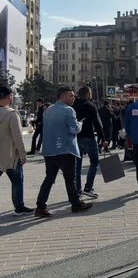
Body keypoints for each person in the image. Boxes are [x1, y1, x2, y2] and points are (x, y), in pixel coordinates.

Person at [35, 87, 93, 217]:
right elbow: (74, 129)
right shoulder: (68, 110)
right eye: (71, 96)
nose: (73, 98)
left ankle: (40, 207)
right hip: (65, 150)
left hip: (49, 150)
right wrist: (80, 124)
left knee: (49, 179)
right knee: (70, 179)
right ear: (63, 97)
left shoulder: (48, 110)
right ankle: (76, 204)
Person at [0, 85, 33, 215]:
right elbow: (17, 137)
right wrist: (23, 154)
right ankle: (19, 207)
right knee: (17, 181)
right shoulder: (12, 114)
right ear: (10, 97)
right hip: (10, 156)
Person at [73, 86, 108, 198]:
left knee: (77, 165)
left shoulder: (72, 105)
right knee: (94, 162)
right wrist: (103, 139)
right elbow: (98, 124)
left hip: (76, 138)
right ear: (87, 94)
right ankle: (88, 188)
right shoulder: (91, 106)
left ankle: (77, 192)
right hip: (88, 137)